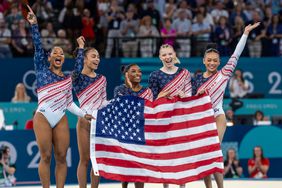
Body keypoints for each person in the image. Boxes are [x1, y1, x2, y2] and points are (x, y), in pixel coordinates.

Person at [26, 5, 92, 188]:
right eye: (55, 52)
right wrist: (34, 25)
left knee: (61, 157)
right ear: (49, 58)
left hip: (60, 116)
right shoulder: (41, 69)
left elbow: (69, 102)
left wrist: (80, 48)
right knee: (46, 155)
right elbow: (38, 47)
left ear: (63, 59)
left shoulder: (67, 79)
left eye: (61, 53)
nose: (58, 54)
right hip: (43, 116)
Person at [192, 22, 260, 188]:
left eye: (215, 60)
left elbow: (236, 54)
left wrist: (245, 33)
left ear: (219, 61)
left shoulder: (224, 74)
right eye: (209, 60)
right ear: (204, 61)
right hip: (202, 119)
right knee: (204, 157)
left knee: (213, 151)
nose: (212, 63)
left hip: (217, 115)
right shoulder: (196, 80)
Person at [148, 44, 191, 188]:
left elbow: (190, 98)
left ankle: (182, 186)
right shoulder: (155, 75)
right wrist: (162, 96)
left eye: (169, 54)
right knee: (165, 156)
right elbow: (151, 101)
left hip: (180, 118)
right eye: (164, 55)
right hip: (164, 121)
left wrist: (183, 96)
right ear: (160, 57)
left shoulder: (184, 73)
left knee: (180, 156)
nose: (167, 57)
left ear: (174, 54)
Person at [72, 36, 108, 188]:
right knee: (85, 159)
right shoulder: (78, 78)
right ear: (85, 60)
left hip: (98, 121)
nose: (97, 59)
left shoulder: (102, 79)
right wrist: (81, 47)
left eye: (98, 57)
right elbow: (77, 67)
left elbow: (104, 102)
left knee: (96, 160)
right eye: (93, 56)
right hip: (84, 122)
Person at [114, 63, 153, 188]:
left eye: (140, 71)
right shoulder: (119, 90)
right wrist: (130, 88)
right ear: (126, 75)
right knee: (126, 170)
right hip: (125, 133)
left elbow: (149, 112)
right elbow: (122, 109)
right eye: (134, 71)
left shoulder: (147, 91)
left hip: (141, 133)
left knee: (139, 170)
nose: (138, 74)